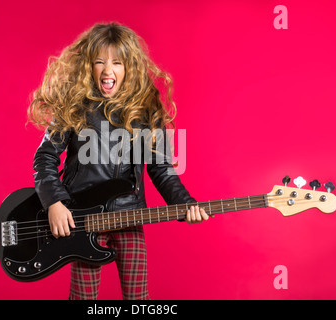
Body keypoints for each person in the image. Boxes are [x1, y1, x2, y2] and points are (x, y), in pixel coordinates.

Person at [27, 22, 209, 300]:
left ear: (130, 68)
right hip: (83, 220)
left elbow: (161, 168)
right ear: (88, 66)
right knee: (83, 299)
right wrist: (54, 202)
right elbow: (45, 158)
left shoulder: (146, 111)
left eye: (118, 63)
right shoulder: (72, 106)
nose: (108, 70)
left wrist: (184, 204)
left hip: (130, 215)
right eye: (99, 62)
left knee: (139, 301)